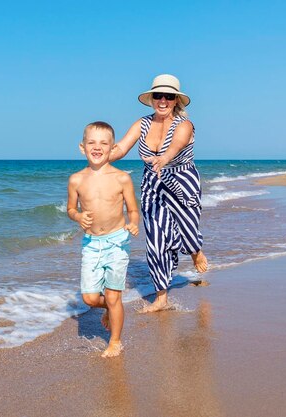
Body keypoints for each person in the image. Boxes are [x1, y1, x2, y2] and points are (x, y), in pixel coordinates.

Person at [110, 74, 208, 313]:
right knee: (156, 239)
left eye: (169, 96)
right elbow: (121, 148)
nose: (162, 100)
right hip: (153, 184)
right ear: (151, 98)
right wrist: (100, 155)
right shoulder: (141, 124)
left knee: (187, 229)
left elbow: (177, 144)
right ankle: (161, 297)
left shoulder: (185, 124)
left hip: (182, 182)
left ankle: (194, 250)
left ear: (176, 101)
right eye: (158, 95)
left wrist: (164, 158)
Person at [67, 121, 140, 357]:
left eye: (103, 143)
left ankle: (115, 341)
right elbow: (70, 209)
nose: (97, 147)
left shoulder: (122, 179)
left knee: (112, 294)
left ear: (112, 147)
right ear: (82, 147)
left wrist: (133, 224)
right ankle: (110, 308)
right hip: (91, 243)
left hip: (117, 241)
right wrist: (78, 216)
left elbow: (133, 209)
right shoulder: (76, 180)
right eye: (91, 142)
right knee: (90, 298)